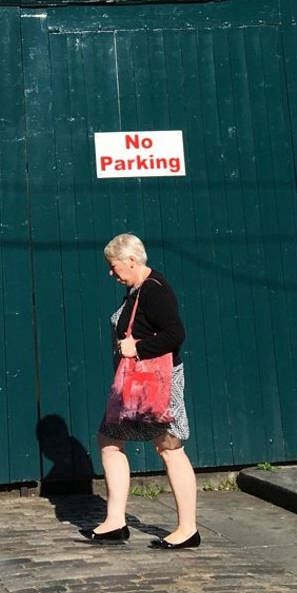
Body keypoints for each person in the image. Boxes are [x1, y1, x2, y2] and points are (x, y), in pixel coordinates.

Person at [85, 232, 200, 550]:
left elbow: (176, 333)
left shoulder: (154, 290)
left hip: (157, 384)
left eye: (113, 265)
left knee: (169, 446)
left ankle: (188, 528)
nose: (111, 272)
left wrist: (136, 347)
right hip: (131, 386)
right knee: (109, 440)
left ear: (131, 260)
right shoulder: (136, 291)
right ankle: (115, 521)